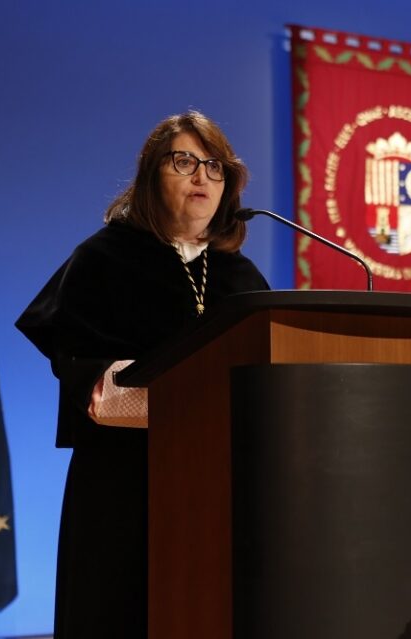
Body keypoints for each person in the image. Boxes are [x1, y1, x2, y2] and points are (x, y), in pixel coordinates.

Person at [16, 110, 270, 637]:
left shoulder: (241, 276)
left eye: (215, 166)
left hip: (221, 487)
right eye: (185, 162)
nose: (202, 177)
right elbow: (79, 369)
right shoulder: (103, 258)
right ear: (153, 175)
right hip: (123, 484)